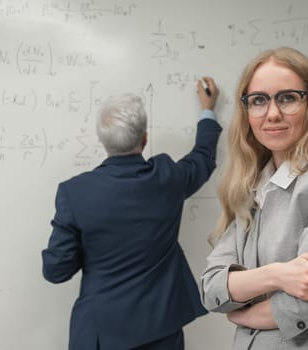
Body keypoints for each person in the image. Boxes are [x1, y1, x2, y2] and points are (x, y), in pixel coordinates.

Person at [201, 47, 308, 349]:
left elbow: (304, 303)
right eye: (258, 100)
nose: (272, 113)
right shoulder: (252, 188)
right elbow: (211, 289)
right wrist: (279, 275)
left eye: (287, 98)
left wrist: (242, 310)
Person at [42, 77, 222, 350]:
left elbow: (56, 271)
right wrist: (208, 109)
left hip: (100, 334)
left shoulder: (74, 193)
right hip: (162, 329)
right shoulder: (167, 178)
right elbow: (203, 157)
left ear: (103, 140)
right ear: (145, 137)